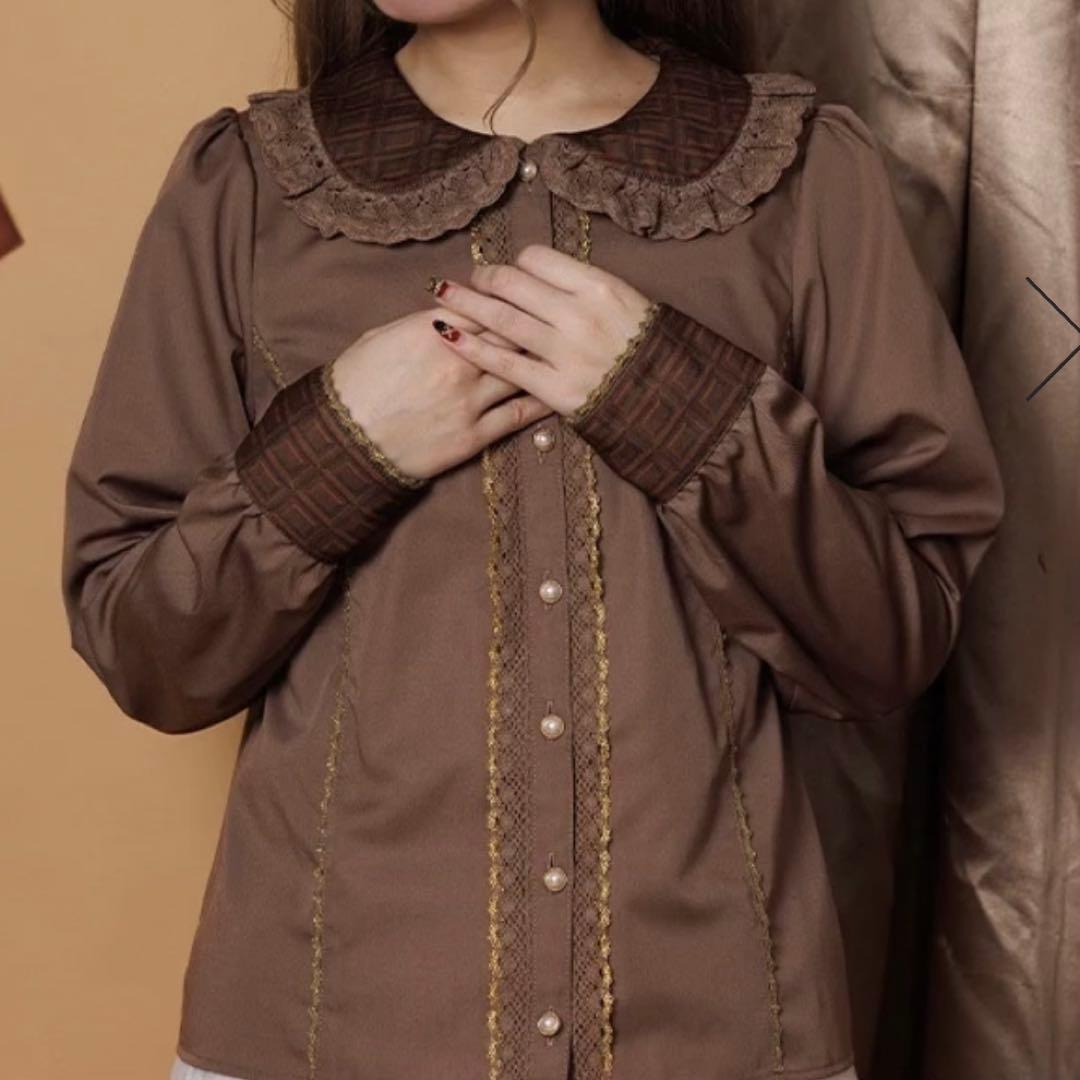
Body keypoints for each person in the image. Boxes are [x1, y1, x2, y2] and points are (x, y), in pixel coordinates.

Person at [60, 0, 1005, 1077]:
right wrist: (338, 448)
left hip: (715, 1030)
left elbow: (889, 644)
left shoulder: (799, 176)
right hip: (320, 1030)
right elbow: (145, 649)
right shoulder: (245, 187)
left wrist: (676, 405)